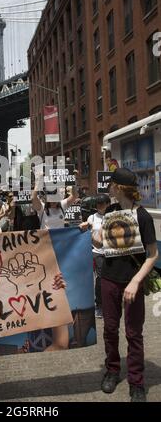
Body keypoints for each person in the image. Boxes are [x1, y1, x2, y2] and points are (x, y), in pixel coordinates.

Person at [99, 168, 158, 402]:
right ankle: (112, 370)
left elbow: (152, 256)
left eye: (111, 183)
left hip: (132, 282)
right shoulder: (111, 211)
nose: (108, 186)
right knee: (110, 330)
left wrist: (135, 281)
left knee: (134, 334)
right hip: (109, 279)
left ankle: (137, 382)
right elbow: (105, 243)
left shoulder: (143, 216)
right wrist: (95, 236)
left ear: (119, 188)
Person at [80, 194, 111, 319]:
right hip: (98, 252)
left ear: (108, 204)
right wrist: (84, 226)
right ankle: (99, 305)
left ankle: (110, 303)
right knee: (100, 278)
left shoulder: (113, 215)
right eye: (98, 204)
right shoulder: (92, 217)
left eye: (103, 204)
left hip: (112, 252)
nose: (100, 206)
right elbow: (86, 228)